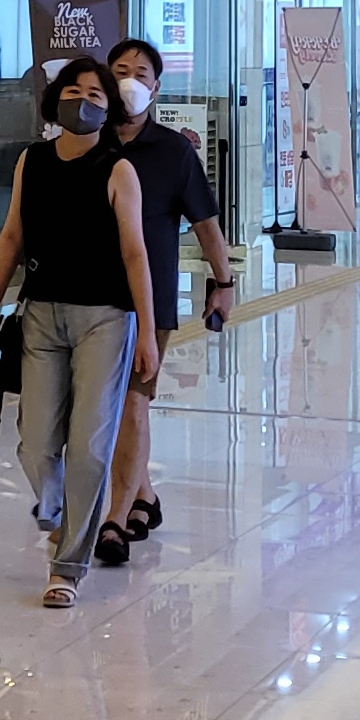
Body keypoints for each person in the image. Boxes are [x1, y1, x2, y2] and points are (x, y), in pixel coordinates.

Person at [0, 57, 158, 610]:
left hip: (106, 318)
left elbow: (135, 254)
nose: (83, 101)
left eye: (96, 94)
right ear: (55, 99)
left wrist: (147, 333)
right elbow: (12, 236)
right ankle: (57, 508)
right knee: (35, 441)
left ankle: (67, 567)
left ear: (111, 108)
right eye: (73, 91)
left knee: (88, 448)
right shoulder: (32, 161)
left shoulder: (118, 170)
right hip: (40, 314)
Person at [102, 37, 236, 563]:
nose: (129, 81)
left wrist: (223, 283)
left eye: (140, 73)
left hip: (149, 300)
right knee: (105, 407)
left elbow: (206, 223)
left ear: (156, 89)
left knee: (133, 401)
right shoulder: (88, 143)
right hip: (89, 297)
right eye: (120, 70)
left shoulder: (175, 151)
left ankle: (115, 518)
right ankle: (144, 496)